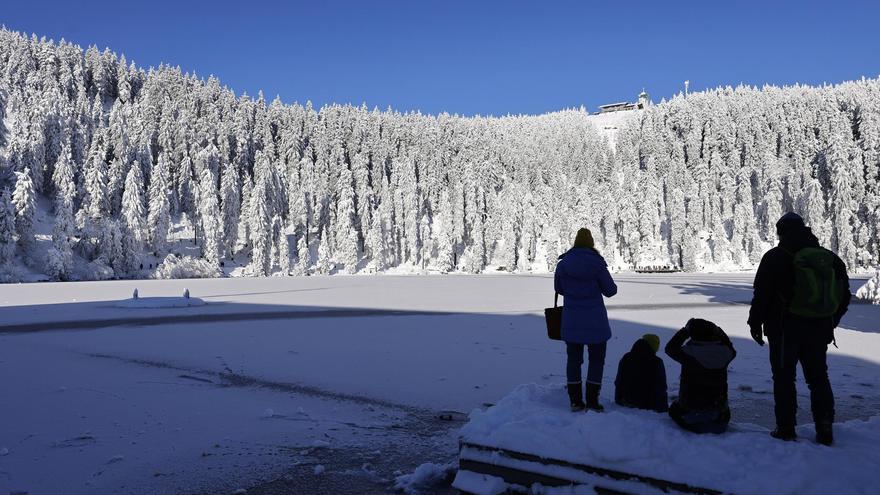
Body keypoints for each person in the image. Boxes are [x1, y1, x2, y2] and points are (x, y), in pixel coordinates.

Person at [748, 212, 850, 445]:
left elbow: (761, 295)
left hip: (783, 331)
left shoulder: (774, 257)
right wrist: (830, 320)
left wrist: (755, 323)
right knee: (818, 378)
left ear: (780, 232)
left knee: (784, 378)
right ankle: (825, 430)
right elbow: (844, 296)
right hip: (818, 329)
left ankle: (785, 429)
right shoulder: (829, 259)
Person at [554, 228, 617, 412]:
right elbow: (610, 291)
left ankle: (575, 401)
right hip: (595, 323)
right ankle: (592, 401)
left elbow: (559, 288)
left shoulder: (564, 264)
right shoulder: (597, 264)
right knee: (597, 361)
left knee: (574, 360)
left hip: (572, 321)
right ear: (591, 242)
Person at [665, 318, 736, 434]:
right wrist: (720, 332)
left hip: (691, 417)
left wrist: (684, 331)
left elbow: (670, 348)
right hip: (720, 418)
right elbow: (731, 348)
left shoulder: (689, 353)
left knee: (674, 409)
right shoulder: (726, 352)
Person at [614, 334, 668, 412]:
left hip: (625, 401)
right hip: (647, 405)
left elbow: (618, 381)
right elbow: (661, 387)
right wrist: (663, 409)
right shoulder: (657, 362)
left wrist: (618, 399)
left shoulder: (626, 357)